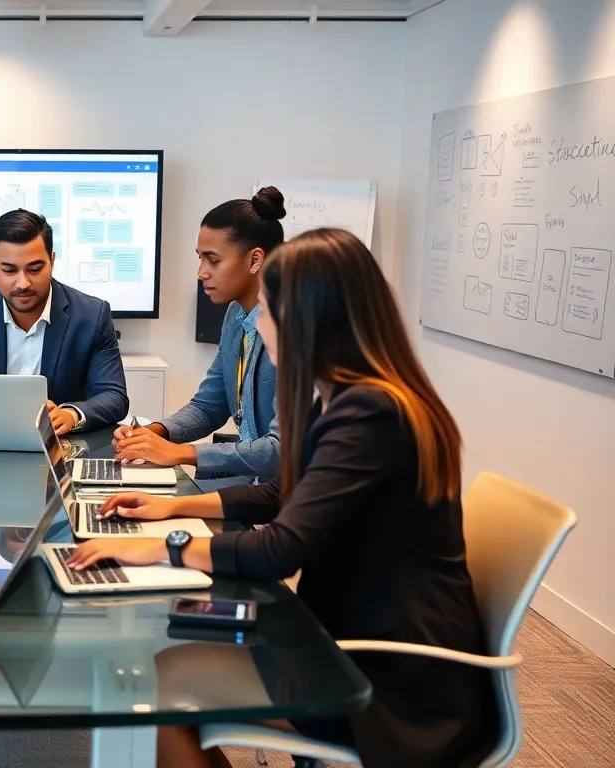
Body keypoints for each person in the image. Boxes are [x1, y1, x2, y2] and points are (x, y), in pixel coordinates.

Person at [67, 228, 496, 768]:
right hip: (348, 636)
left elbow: (280, 550)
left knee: (152, 692)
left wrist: (161, 547)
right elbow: (281, 495)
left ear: (308, 318)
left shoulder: (370, 415)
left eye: (268, 310)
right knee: (164, 665)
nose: (259, 323)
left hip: (393, 681)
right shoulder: (350, 398)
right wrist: (173, 506)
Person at [113, 188, 285, 480]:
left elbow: (281, 449)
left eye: (213, 260)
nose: (201, 272)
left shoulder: (294, 327)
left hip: (289, 495)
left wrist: (182, 453)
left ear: (255, 260)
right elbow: (209, 407)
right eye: (200, 259)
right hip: (253, 485)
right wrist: (152, 433)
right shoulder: (235, 316)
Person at [0, 209, 129, 435]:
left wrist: (71, 415)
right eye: (9, 270)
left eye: (34, 269)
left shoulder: (92, 315)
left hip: (60, 444)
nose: (22, 283)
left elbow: (114, 396)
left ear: (52, 261)